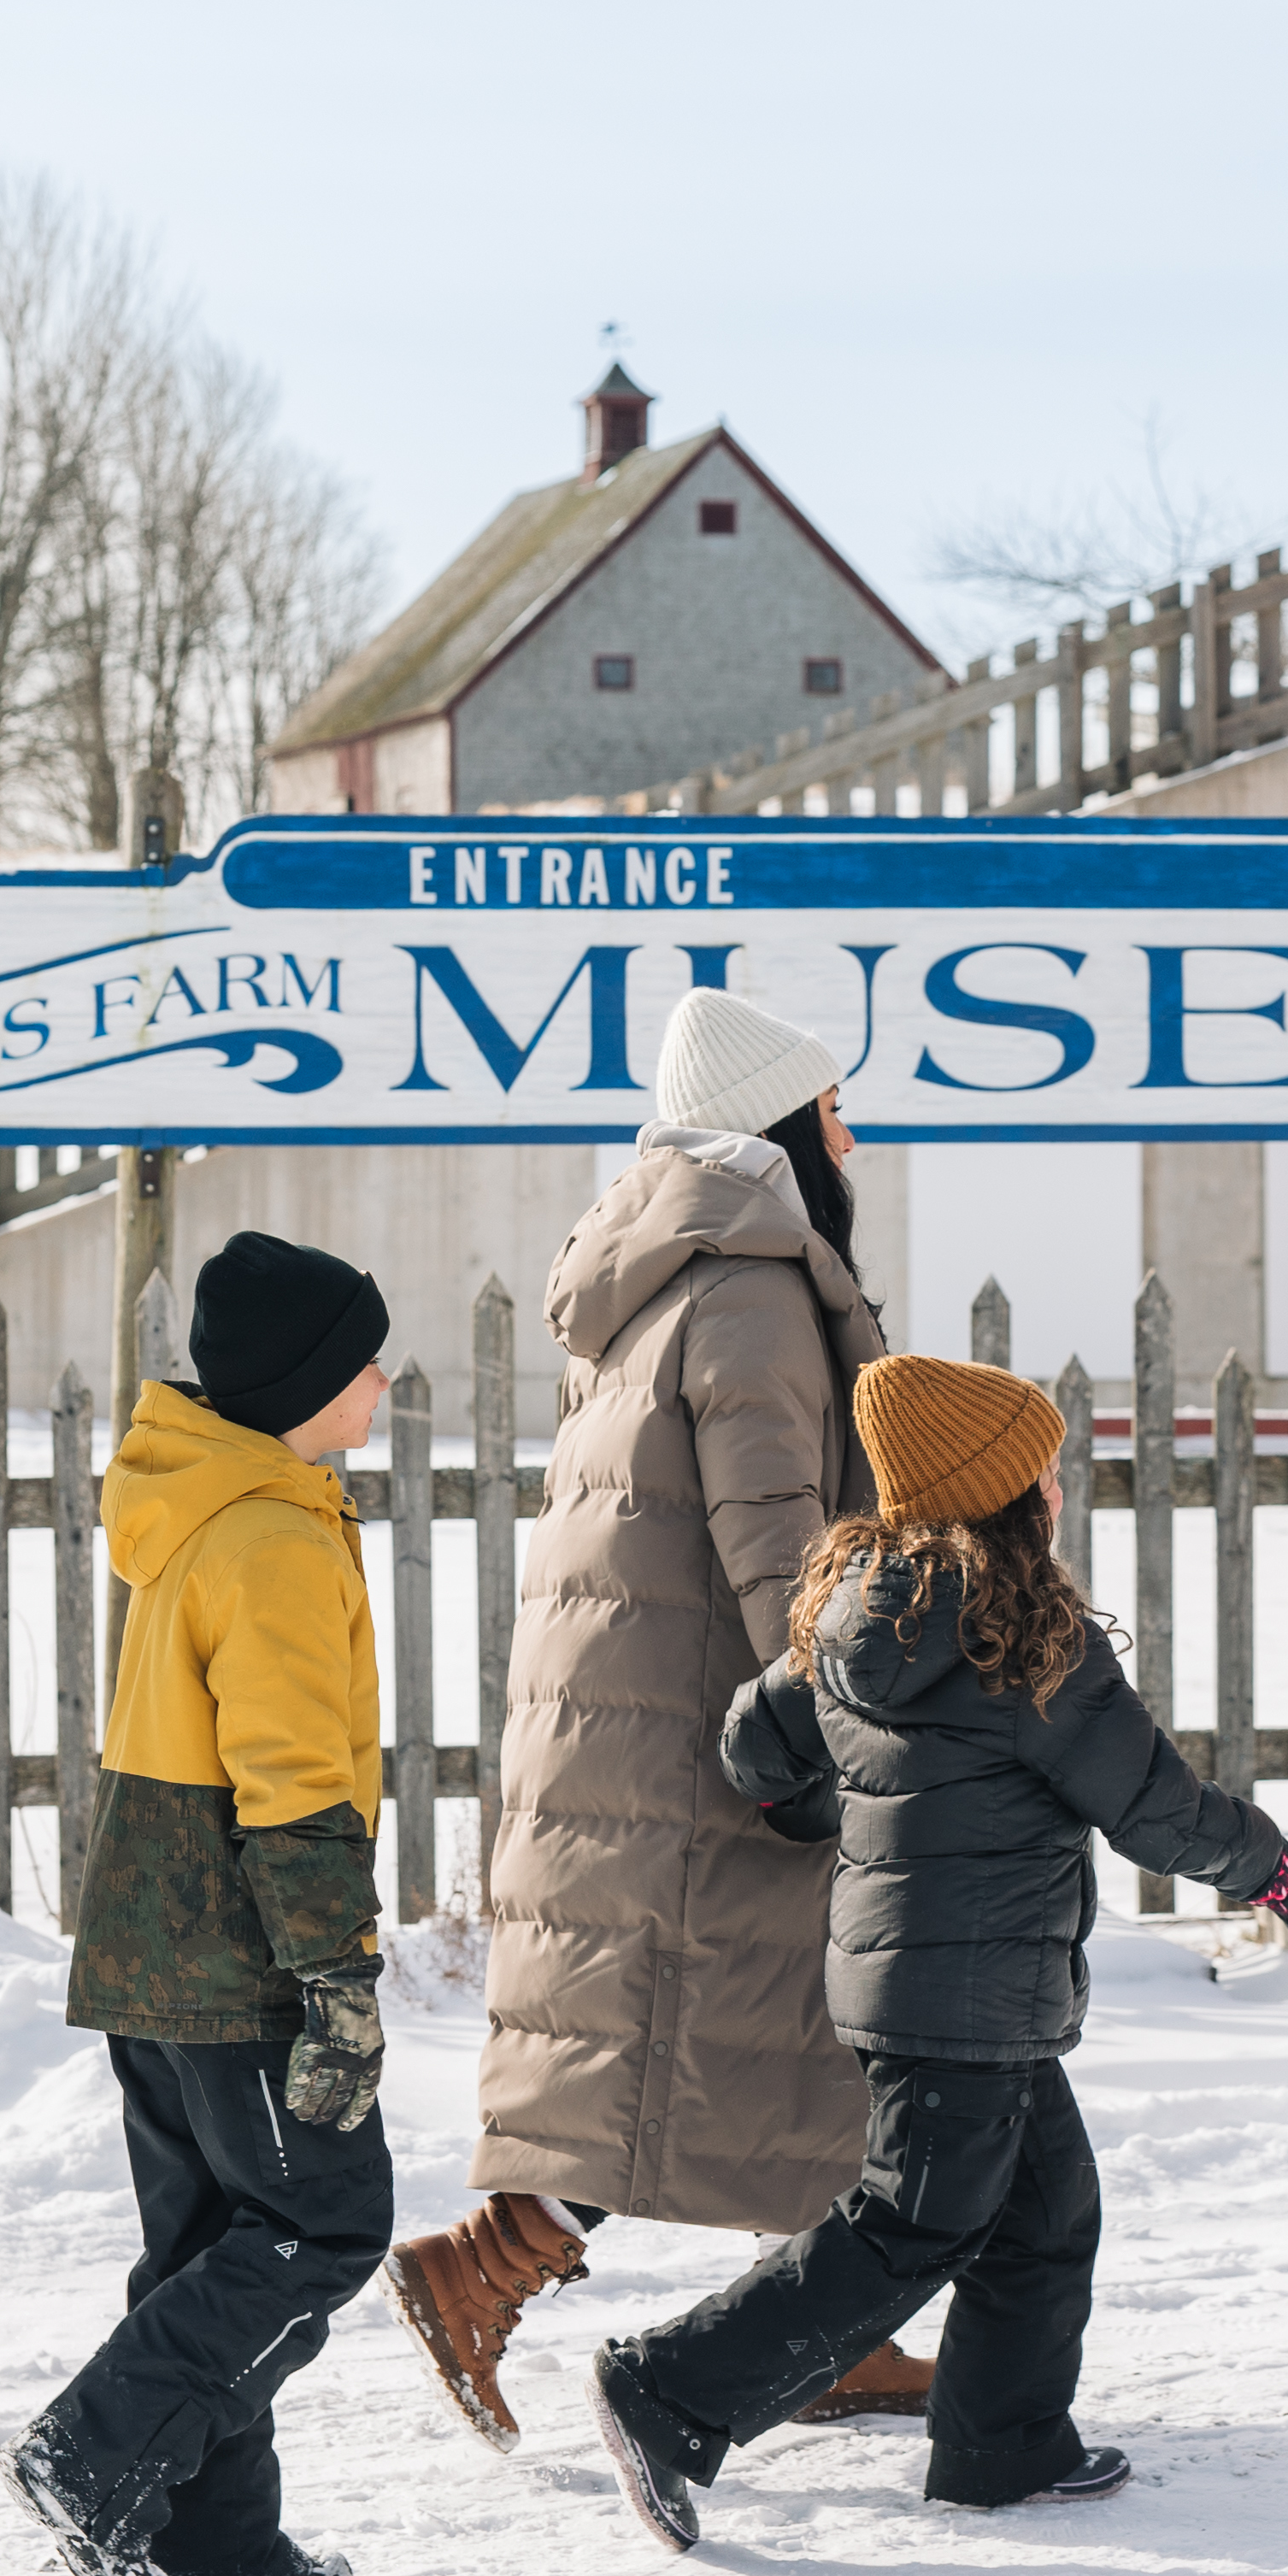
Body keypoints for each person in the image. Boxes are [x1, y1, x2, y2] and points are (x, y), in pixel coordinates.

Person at [587, 1355, 1288, 2551]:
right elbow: (1152, 1806)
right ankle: (670, 2392)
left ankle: (1003, 2446)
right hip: (974, 1992)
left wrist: (807, 1804)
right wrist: (1275, 1872)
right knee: (915, 2223)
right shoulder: (1027, 1643)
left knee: (1045, 2215)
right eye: (1040, 1469)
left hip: (912, 1980)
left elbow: (756, 1738)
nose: (1055, 1488)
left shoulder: (854, 1607)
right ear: (1001, 1494)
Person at [386, 989, 922, 2448]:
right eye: (829, 1116)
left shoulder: (674, 1276)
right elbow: (777, 1538)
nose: (850, 1136)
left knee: (759, 2038)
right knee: (675, 2045)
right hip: (712, 1747)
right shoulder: (747, 1292)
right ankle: (481, 2265)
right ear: (778, 1137)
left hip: (644, 1726)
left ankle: (815, 2332)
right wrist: (830, 1713)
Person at [4, 1230, 401, 2576]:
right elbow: (293, 1781)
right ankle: (94, 2448)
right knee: (322, 2220)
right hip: (238, 1949)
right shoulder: (271, 1537)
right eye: (363, 1359)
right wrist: (334, 1974)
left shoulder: (196, 1507)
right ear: (304, 1384)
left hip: (147, 1935)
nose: (383, 1377)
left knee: (207, 2235)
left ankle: (213, 2542)